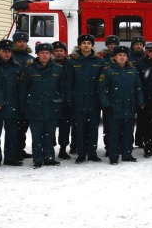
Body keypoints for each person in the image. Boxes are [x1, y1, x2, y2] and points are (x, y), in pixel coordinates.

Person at [19, 43, 66, 169]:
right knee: (37, 135)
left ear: (51, 54)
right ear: (37, 54)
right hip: (34, 108)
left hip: (52, 106)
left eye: (47, 53)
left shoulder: (58, 69)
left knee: (49, 135)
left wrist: (62, 103)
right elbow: (23, 89)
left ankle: (50, 158)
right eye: (42, 53)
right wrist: (23, 107)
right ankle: (38, 159)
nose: (45, 55)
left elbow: (62, 89)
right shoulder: (29, 70)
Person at [98, 45, 144, 164]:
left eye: (124, 55)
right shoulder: (108, 71)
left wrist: (140, 102)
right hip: (114, 108)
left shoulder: (132, 71)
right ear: (114, 57)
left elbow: (138, 88)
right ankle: (113, 156)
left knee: (128, 133)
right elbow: (102, 89)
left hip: (129, 107)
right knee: (114, 133)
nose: (122, 57)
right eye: (120, 55)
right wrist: (106, 105)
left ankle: (127, 154)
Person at [67, 34, 105, 163]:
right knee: (80, 128)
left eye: (89, 43)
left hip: (94, 101)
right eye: (84, 43)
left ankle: (92, 153)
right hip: (78, 101)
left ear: (92, 45)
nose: (86, 45)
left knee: (93, 128)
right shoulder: (72, 61)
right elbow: (68, 83)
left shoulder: (99, 61)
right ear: (79, 45)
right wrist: (70, 99)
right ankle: (81, 154)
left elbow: (102, 82)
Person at [0, 39, 22, 167]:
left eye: (9, 51)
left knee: (12, 134)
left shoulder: (17, 67)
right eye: (4, 51)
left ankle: (10, 157)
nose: (7, 54)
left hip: (13, 105)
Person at [11, 31, 33, 160]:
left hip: (27, 96)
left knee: (23, 126)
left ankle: (21, 149)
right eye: (19, 41)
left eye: (24, 41)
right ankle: (14, 151)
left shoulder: (30, 58)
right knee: (15, 127)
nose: (22, 44)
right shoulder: (11, 57)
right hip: (14, 96)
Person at [51, 41, 74, 160]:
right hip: (51, 101)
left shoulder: (70, 65)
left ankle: (63, 149)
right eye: (56, 51)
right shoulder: (47, 64)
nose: (59, 53)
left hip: (66, 101)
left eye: (61, 51)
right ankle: (50, 148)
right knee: (50, 127)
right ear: (52, 53)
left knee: (65, 128)